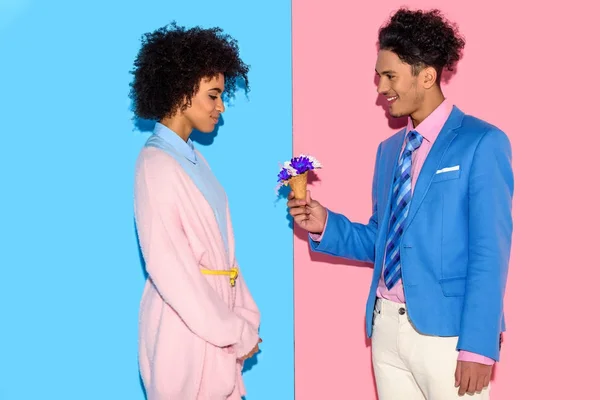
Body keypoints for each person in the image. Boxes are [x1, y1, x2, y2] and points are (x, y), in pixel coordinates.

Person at [287, 8, 513, 400]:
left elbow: (489, 252)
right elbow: (382, 239)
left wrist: (478, 345)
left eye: (390, 76)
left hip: (449, 336)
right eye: (379, 76)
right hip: (385, 329)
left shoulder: (482, 142)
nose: (381, 88)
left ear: (427, 75)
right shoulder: (389, 151)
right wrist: (324, 223)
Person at [130, 23, 261, 400]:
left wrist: (245, 318)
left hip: (216, 325)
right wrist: (236, 332)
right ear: (181, 91)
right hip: (182, 330)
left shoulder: (194, 159)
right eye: (213, 95)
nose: (221, 106)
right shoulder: (155, 164)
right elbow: (171, 270)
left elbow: (223, 257)